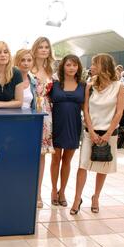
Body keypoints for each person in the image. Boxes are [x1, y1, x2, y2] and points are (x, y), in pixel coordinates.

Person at [70, 53, 124, 215]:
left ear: (104, 66)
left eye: (95, 64)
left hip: (109, 133)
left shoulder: (119, 86)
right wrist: (91, 131)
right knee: (83, 165)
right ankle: (77, 198)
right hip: (90, 132)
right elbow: (85, 109)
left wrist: (108, 134)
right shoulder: (89, 85)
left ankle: (96, 197)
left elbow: (119, 112)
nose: (91, 67)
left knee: (103, 166)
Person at [50, 55, 85, 207]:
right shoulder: (55, 84)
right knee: (55, 159)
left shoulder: (83, 85)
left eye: (75, 65)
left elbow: (86, 108)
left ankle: (62, 191)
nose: (72, 68)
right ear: (63, 66)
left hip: (74, 125)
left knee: (67, 161)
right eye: (69, 65)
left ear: (78, 67)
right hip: (56, 124)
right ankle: (53, 190)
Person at [30, 37, 55, 208]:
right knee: (26, 153)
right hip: (30, 109)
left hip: (47, 113)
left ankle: (38, 194)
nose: (44, 50)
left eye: (46, 47)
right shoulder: (27, 67)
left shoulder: (52, 70)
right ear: (35, 48)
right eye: (41, 47)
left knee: (41, 155)